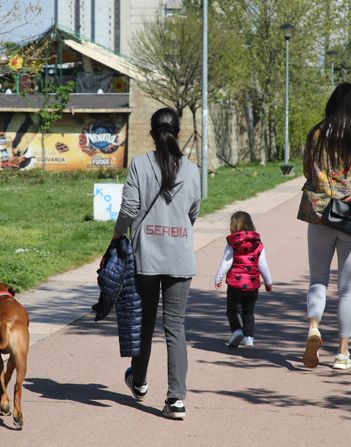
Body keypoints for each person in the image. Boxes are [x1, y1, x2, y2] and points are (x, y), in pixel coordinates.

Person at [112, 107, 201, 420]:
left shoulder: (139, 165)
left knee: (145, 323)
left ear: (151, 134)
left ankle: (138, 381)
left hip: (146, 258)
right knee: (175, 327)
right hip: (180, 257)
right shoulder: (192, 170)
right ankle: (176, 400)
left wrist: (117, 237)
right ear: (177, 133)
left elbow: (130, 208)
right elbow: (193, 212)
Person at [297, 82, 351, 370]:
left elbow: (308, 169)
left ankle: (314, 328)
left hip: (320, 214)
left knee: (318, 279)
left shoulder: (317, 135)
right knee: (347, 288)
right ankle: (343, 353)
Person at [214, 211, 272, 349]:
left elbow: (226, 263)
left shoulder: (232, 243)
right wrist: (268, 282)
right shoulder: (258, 243)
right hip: (252, 285)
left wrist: (218, 277)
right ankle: (249, 337)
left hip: (235, 284)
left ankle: (236, 331)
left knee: (232, 310)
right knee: (248, 311)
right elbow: (262, 265)